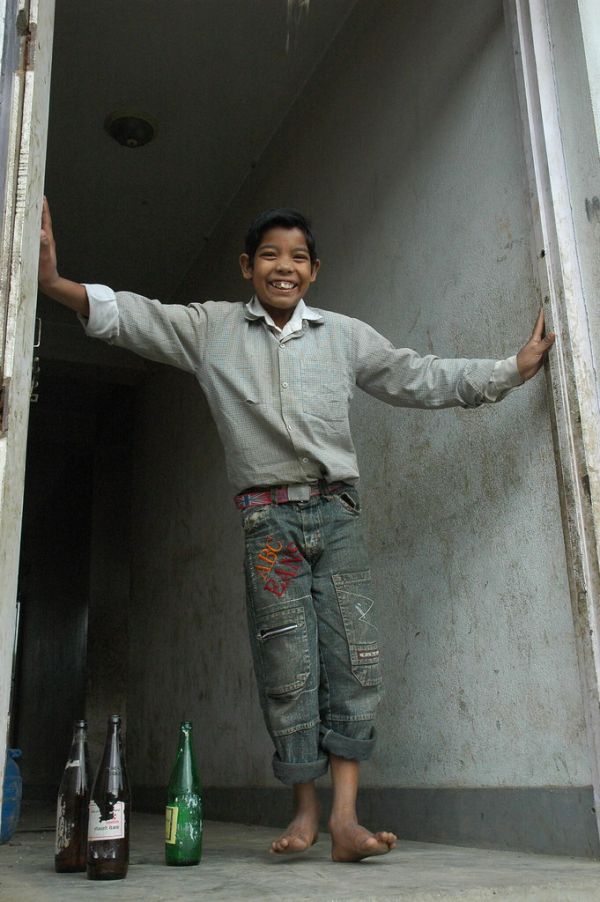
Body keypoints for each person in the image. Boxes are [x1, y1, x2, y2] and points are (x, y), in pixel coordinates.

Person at [38, 199, 555, 862]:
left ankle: (346, 820)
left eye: (298, 257)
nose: (284, 267)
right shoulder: (211, 329)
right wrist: (55, 284)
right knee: (287, 665)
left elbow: (418, 376)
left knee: (354, 660)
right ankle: (305, 811)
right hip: (270, 528)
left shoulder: (344, 337)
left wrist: (510, 370)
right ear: (246, 266)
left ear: (313, 272)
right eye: (270, 255)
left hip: (336, 517)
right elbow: (135, 316)